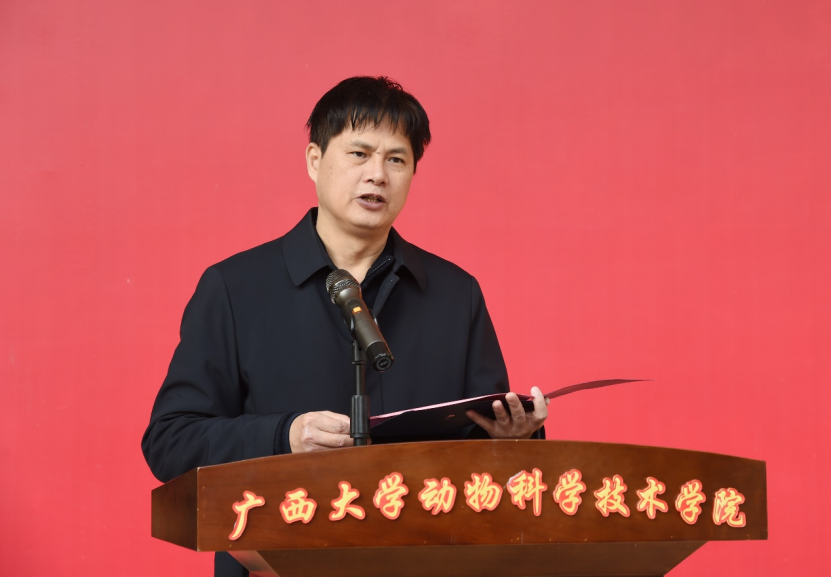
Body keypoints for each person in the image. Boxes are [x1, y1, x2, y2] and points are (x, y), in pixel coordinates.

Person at [142, 76, 548, 577]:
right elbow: (170, 442)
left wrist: (514, 439)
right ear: (315, 160)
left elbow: (482, 447)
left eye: (396, 160)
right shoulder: (234, 287)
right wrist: (284, 435)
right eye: (359, 154)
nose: (377, 174)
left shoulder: (455, 293)